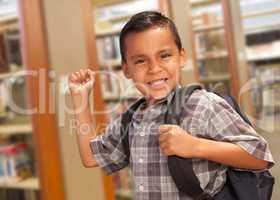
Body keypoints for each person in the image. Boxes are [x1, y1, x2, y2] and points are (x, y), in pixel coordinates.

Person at [68, 11, 274, 200]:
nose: (154, 68)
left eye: (164, 55)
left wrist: (195, 146)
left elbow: (259, 156)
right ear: (126, 69)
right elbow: (91, 157)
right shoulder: (130, 118)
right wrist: (80, 99)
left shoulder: (203, 105)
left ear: (181, 57)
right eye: (140, 61)